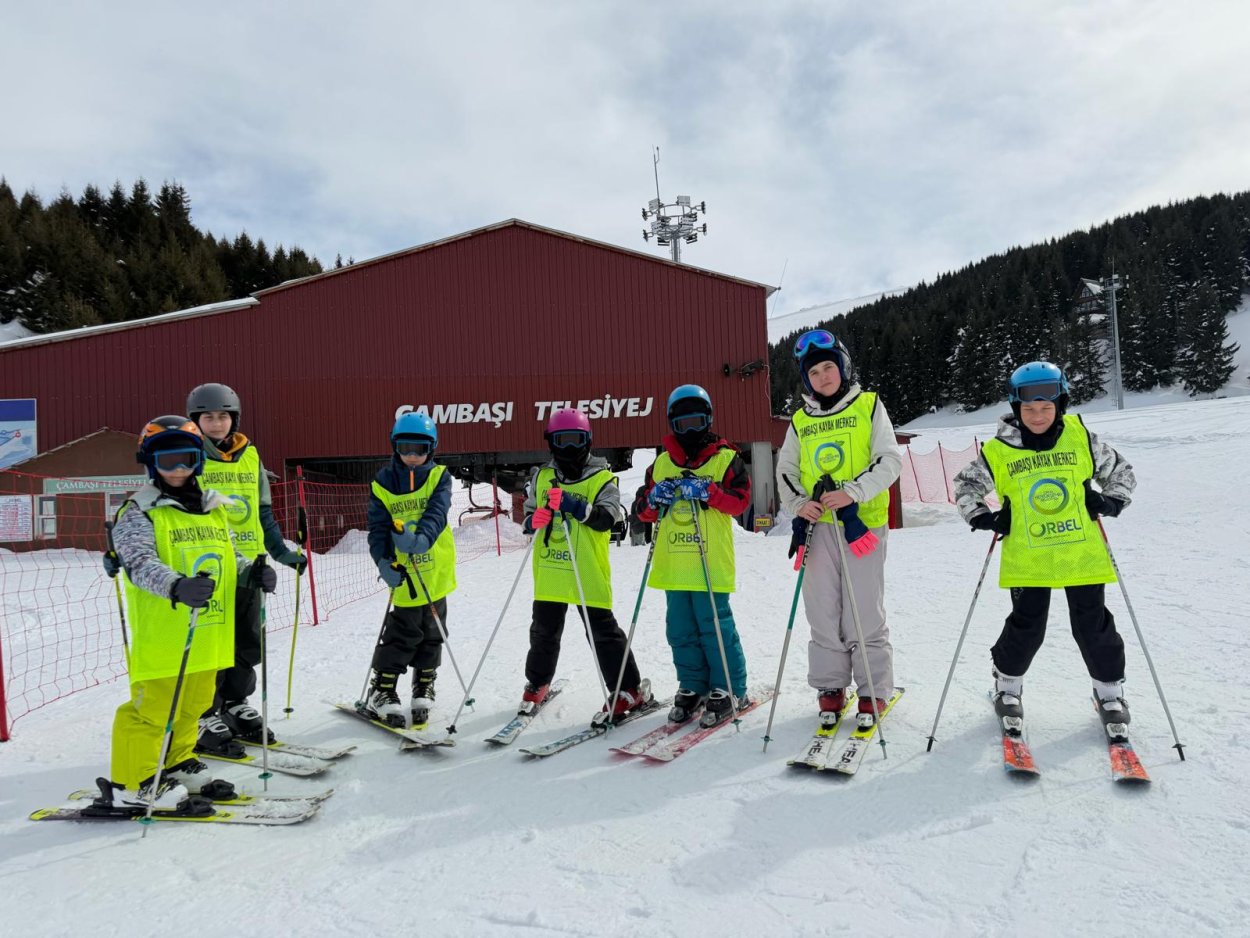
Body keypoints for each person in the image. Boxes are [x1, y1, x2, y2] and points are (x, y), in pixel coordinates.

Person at [98, 416, 275, 810]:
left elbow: (230, 557)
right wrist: (176, 585)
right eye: (168, 460)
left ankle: (176, 761)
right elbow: (139, 563)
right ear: (150, 463)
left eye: (187, 459)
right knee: (152, 710)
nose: (179, 469)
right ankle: (132, 783)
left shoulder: (213, 507)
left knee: (193, 705)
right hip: (166, 634)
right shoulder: (139, 510)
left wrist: (252, 573)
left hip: (208, 631)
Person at [953, 361, 1136, 727]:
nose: (1038, 415)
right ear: (1016, 407)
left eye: (1046, 407)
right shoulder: (998, 449)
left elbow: (1121, 472)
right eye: (1029, 408)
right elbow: (965, 485)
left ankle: (1109, 692)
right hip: (1028, 556)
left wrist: (1109, 501)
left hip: (1081, 553)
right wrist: (982, 516)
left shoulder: (1080, 437)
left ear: (1061, 405)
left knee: (1093, 625)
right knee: (1027, 625)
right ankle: (1007, 686)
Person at [776, 330, 903, 727]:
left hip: (861, 527)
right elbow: (786, 472)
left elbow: (889, 460)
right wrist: (801, 505)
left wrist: (852, 492)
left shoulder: (868, 405)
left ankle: (872, 688)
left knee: (863, 608)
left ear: (843, 368)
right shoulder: (800, 420)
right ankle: (831, 686)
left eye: (829, 367)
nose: (823, 376)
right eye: (814, 372)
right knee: (822, 610)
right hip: (819, 530)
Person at [184, 383, 307, 756]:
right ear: (197, 420)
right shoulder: (187, 455)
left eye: (223, 416)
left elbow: (263, 513)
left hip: (251, 566)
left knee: (247, 639)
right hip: (207, 565)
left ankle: (236, 701)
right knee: (209, 642)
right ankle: (204, 711)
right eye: (209, 417)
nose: (217, 423)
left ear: (233, 418)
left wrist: (281, 553)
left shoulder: (249, 456)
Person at [519, 408, 651, 720]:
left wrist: (577, 506)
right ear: (551, 443)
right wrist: (531, 520)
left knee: (602, 632)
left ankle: (628, 688)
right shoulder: (542, 477)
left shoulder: (602, 478)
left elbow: (609, 518)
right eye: (561, 441)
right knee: (543, 631)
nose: (569, 449)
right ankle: (537, 682)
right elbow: (528, 511)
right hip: (551, 568)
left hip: (587, 571)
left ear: (588, 441)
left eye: (575, 441)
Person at [636, 385, 752, 728]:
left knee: (714, 626)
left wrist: (709, 492)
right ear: (673, 424)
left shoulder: (726, 458)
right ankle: (694, 685)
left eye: (697, 422)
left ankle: (729, 688)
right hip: (674, 564)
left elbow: (740, 502)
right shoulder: (659, 464)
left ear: (709, 420)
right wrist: (656, 497)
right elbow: (642, 510)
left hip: (709, 562)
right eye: (683, 424)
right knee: (680, 629)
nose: (690, 431)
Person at [363, 412, 456, 727]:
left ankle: (424, 683)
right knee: (403, 634)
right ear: (395, 446)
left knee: (433, 633)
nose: (413, 457)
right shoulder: (383, 483)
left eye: (420, 449)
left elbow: (437, 512)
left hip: (436, 572)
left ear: (432, 448)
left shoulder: (439, 477)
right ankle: (383, 689)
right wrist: (383, 561)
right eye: (406, 448)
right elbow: (377, 529)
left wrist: (422, 538)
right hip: (405, 577)